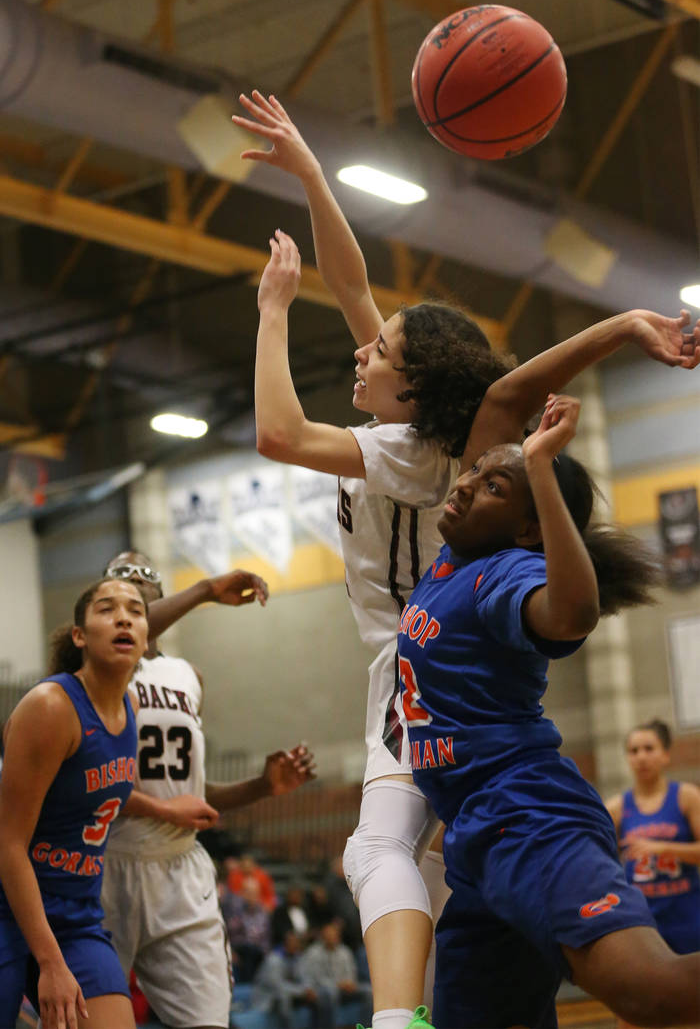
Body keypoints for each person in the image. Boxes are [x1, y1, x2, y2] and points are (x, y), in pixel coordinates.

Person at [232, 89, 700, 1029]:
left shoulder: (401, 452)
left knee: (375, 855)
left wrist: (273, 309)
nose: (364, 348)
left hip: (426, 667)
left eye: (382, 350)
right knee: (440, 878)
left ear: (415, 382)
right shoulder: (437, 428)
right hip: (442, 669)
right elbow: (363, 289)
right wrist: (315, 176)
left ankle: (394, 1018)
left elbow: (279, 433)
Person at [396, 394, 700, 1028]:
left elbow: (571, 615)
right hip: (475, 838)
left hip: (530, 815)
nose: (470, 483)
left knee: (655, 994)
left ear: (530, 527)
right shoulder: (456, 558)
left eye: (493, 484)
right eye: (475, 472)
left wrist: (538, 467)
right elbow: (494, 401)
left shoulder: (504, 572)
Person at [99, 549, 316, 1029]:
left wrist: (262, 786)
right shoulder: (93, 666)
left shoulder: (187, 676)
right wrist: (204, 590)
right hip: (106, 862)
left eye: (142, 592)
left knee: (208, 1021)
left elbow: (192, 792)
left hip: (179, 867)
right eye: (121, 592)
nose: (133, 600)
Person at [0, 577, 149, 1029]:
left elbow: (94, 798)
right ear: (79, 636)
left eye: (136, 610)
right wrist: (49, 963)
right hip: (7, 905)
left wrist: (169, 809)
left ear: (146, 636)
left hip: (75, 916)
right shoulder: (51, 706)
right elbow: (8, 845)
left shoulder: (131, 707)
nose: (123, 617)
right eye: (106, 609)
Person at [606, 719, 700, 955]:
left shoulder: (686, 797)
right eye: (633, 751)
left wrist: (662, 848)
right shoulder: (615, 808)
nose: (641, 757)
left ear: (665, 755)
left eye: (649, 748)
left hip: (687, 914)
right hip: (643, 922)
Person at [300, 918, 373, 1029]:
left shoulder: (345, 951)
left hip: (345, 989)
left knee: (368, 991)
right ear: (323, 936)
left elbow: (351, 972)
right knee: (330, 992)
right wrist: (338, 984)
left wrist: (350, 982)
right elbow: (318, 979)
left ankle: (366, 1026)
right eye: (328, 934)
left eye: (334, 934)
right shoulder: (314, 953)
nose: (332, 937)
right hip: (323, 990)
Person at [251, 929, 327, 1029]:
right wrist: (302, 991)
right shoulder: (274, 959)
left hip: (292, 993)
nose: (296, 945)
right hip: (269, 997)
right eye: (293, 942)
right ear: (286, 943)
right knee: (284, 998)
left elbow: (306, 977)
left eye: (297, 942)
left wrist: (308, 989)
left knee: (319, 994)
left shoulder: (298, 957)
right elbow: (277, 986)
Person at [222, 875, 273, 983]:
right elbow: (226, 935)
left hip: (258, 954)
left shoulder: (263, 913)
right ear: (241, 893)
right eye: (248, 892)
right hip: (238, 952)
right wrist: (230, 952)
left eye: (254, 893)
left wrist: (266, 956)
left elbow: (267, 939)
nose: (251, 896)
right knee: (247, 949)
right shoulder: (232, 912)